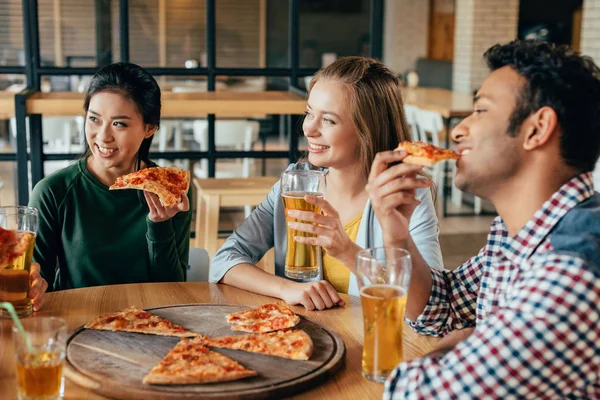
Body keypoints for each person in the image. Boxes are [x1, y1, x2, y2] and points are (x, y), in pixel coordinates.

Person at [366, 40, 600, 398]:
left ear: (537, 129)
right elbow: (441, 308)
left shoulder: (572, 273)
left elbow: (418, 395)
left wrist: (452, 348)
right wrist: (396, 233)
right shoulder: (514, 234)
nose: (458, 131)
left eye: (480, 110)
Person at [210, 56, 443, 310]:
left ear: (369, 130)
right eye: (309, 113)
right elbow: (224, 260)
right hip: (306, 340)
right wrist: (287, 288)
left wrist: (349, 253)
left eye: (329, 120)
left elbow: (429, 306)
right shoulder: (294, 186)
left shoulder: (407, 197)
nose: (309, 129)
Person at [29, 62, 192, 295]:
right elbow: (36, 284)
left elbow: (173, 290)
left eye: (119, 124)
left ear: (149, 128)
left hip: (151, 321)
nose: (103, 136)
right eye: (94, 119)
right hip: (77, 323)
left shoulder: (171, 190)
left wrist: (160, 226)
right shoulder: (52, 191)